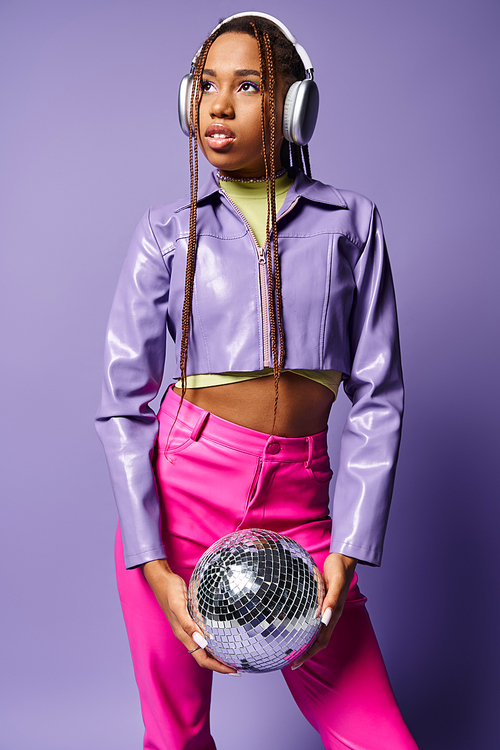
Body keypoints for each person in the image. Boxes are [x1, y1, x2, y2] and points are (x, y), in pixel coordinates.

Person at [96, 11, 418, 750]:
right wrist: (150, 559)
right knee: (175, 738)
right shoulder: (164, 230)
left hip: (301, 505)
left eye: (247, 86)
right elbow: (122, 405)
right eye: (206, 85)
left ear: (296, 108)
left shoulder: (353, 225)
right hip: (177, 498)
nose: (219, 103)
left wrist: (350, 545)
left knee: (379, 739)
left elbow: (380, 397)